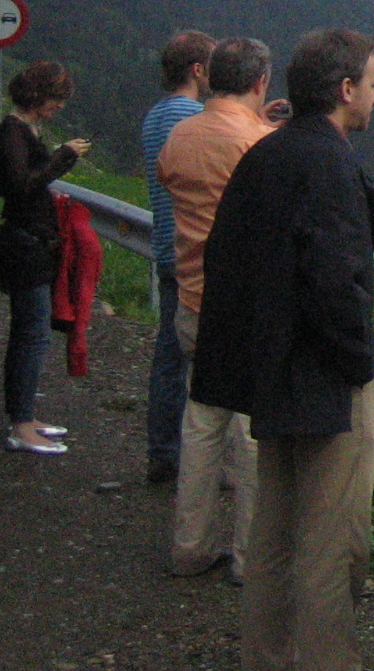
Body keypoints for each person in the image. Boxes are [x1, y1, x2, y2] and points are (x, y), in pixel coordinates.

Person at [192, 28, 374, 671]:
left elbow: (224, 258)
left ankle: (265, 658)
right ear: (346, 88)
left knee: (272, 535)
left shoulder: (268, 154)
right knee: (332, 545)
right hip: (324, 382)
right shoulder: (329, 164)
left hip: (274, 374)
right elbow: (334, 282)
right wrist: (359, 363)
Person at [156, 37, 284, 583]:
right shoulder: (257, 145)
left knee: (202, 421)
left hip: (191, 295)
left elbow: (175, 179)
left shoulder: (180, 134)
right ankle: (250, 560)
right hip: (245, 306)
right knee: (253, 432)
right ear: (260, 83)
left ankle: (189, 546)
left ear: (211, 78)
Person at [0, 60, 92, 455]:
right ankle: (21, 425)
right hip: (23, 244)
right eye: (56, 98)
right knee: (31, 334)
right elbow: (21, 185)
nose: (59, 106)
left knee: (30, 333)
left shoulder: (24, 129)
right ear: (38, 95)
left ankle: (25, 415)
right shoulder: (13, 130)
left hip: (30, 241)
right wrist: (62, 158)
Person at [140, 29, 215, 484]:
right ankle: (197, 463)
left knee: (168, 357)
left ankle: (163, 452)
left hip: (166, 245)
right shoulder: (191, 115)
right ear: (198, 70)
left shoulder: (156, 115)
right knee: (207, 365)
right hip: (195, 252)